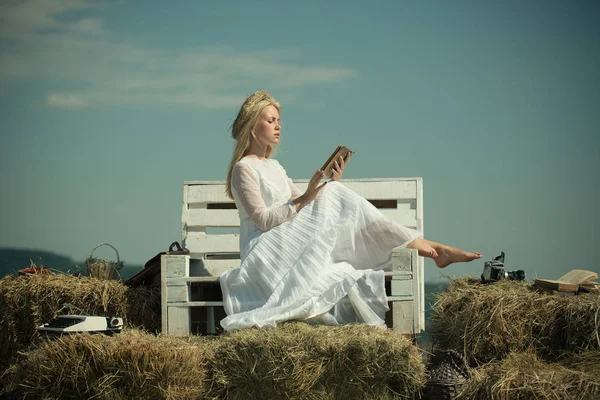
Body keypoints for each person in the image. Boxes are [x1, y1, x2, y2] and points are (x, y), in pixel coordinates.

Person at [219, 90, 481, 332]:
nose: (278, 126)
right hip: (264, 252)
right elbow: (263, 220)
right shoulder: (244, 169)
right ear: (253, 127)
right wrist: (309, 197)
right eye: (271, 120)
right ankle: (428, 247)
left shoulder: (274, 166)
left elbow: (301, 205)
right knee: (333, 195)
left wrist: (330, 185)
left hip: (284, 242)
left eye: (279, 121)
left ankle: (425, 246)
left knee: (334, 192)